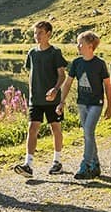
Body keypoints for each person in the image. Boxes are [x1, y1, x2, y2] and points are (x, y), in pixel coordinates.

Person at [12, 20, 69, 177]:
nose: (36, 36)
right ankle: (28, 165)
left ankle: (57, 162)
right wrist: (31, 93)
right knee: (32, 128)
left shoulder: (55, 52)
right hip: (35, 100)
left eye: (40, 33)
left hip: (52, 100)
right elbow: (30, 74)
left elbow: (62, 75)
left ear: (49, 34)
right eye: (35, 33)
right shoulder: (32, 53)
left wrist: (55, 90)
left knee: (55, 128)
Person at [57, 30, 111, 180]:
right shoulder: (76, 63)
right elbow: (68, 83)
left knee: (88, 130)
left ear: (89, 46)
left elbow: (107, 85)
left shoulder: (100, 64)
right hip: (82, 103)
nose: (78, 46)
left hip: (96, 103)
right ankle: (96, 165)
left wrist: (110, 105)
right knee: (88, 134)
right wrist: (61, 101)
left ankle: (85, 165)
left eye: (80, 43)